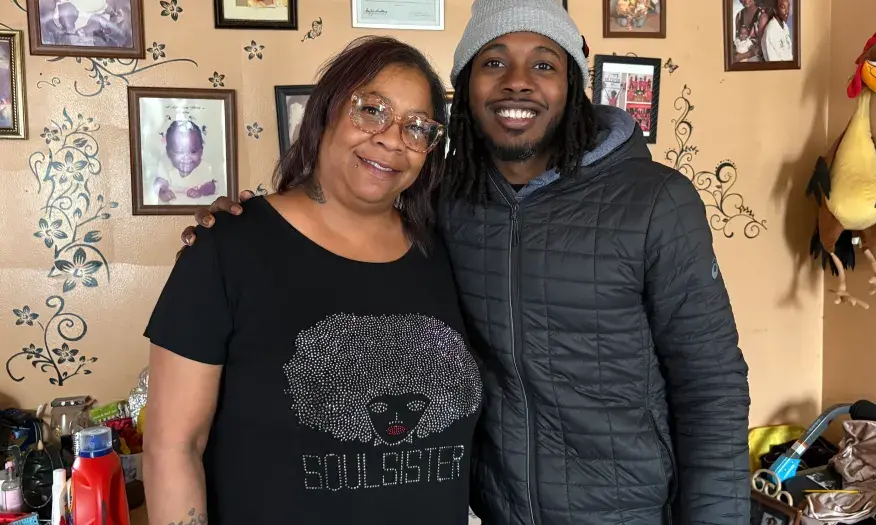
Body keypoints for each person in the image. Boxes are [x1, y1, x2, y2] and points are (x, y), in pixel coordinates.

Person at [178, 0, 752, 523]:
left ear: (574, 84)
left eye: (545, 65)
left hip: (628, 512)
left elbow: (712, 387)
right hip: (495, 511)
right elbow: (350, 204)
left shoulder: (655, 202)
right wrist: (244, 221)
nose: (518, 83)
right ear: (467, 90)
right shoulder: (444, 203)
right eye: (494, 62)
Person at [142, 36, 484, 525]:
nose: (391, 138)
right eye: (371, 110)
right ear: (324, 111)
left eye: (417, 128)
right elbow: (172, 445)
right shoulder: (228, 248)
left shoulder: (448, 252)